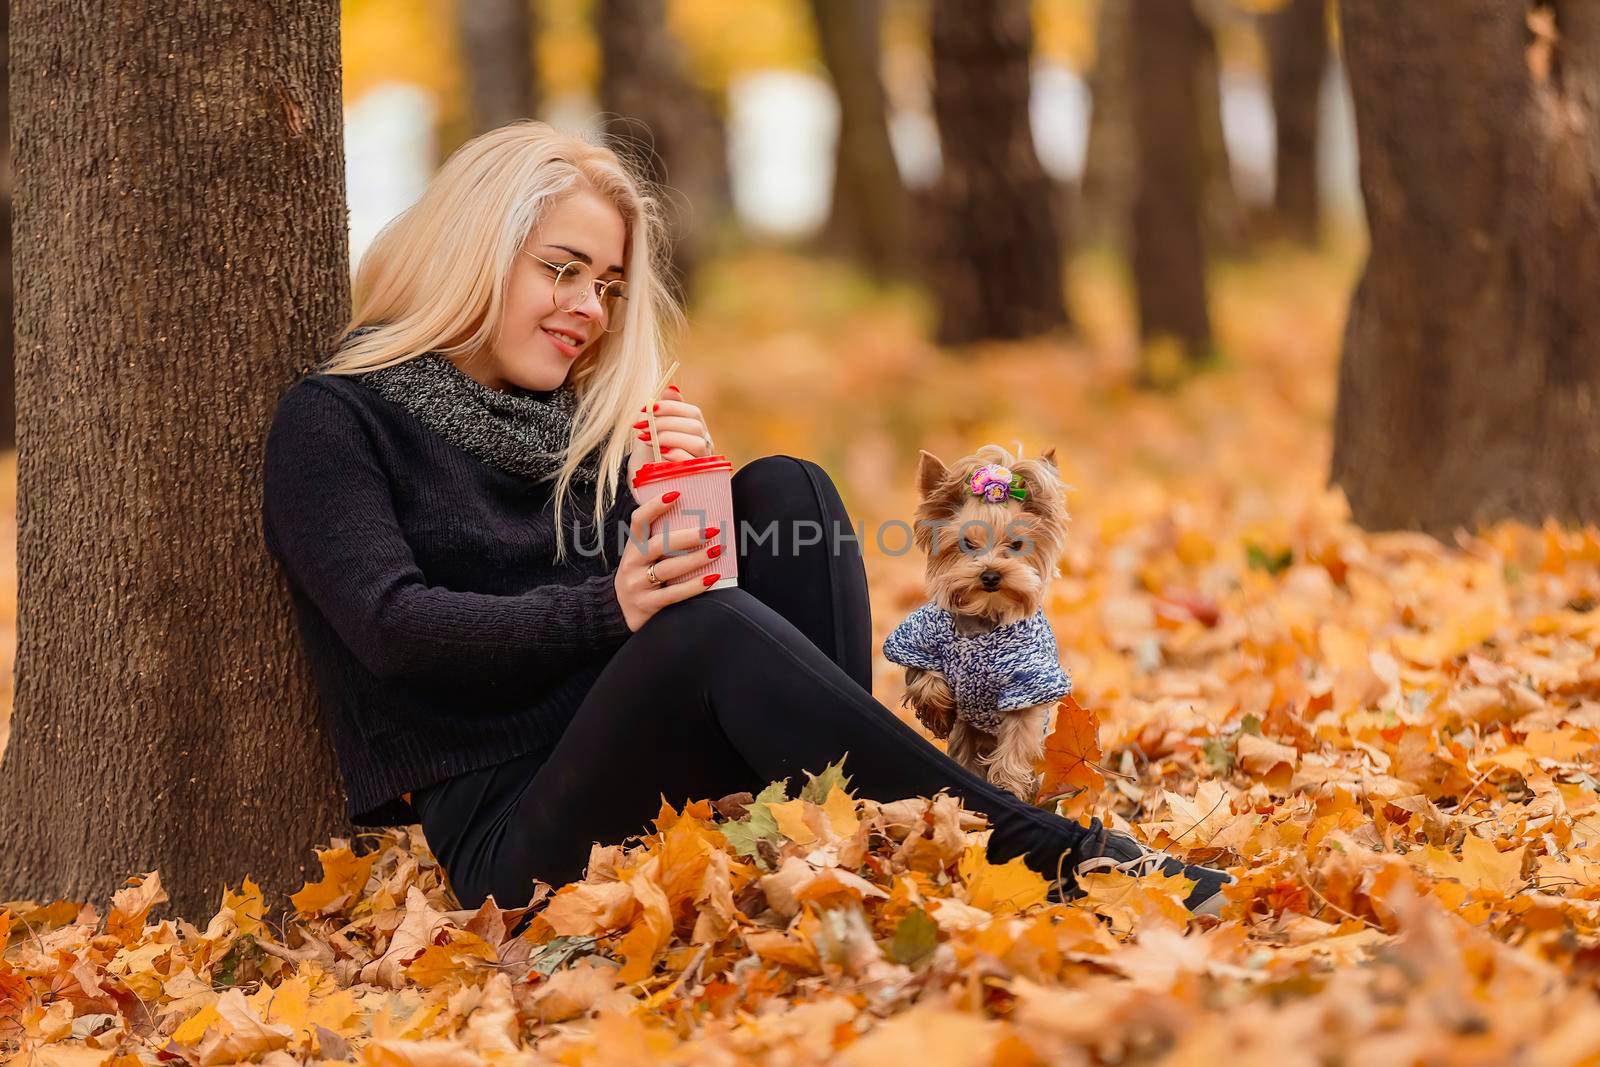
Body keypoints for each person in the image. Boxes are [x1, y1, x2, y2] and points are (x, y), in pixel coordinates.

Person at [261, 120, 1233, 918]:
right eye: (561, 270)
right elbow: (393, 628)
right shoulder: (338, 418)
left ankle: (830, 832)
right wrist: (617, 605)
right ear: (474, 250)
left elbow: (654, 612)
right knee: (702, 628)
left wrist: (679, 487)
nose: (589, 309)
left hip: (650, 772)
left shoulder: (580, 419)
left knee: (785, 491)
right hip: (512, 832)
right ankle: (1048, 855)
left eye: (604, 284)